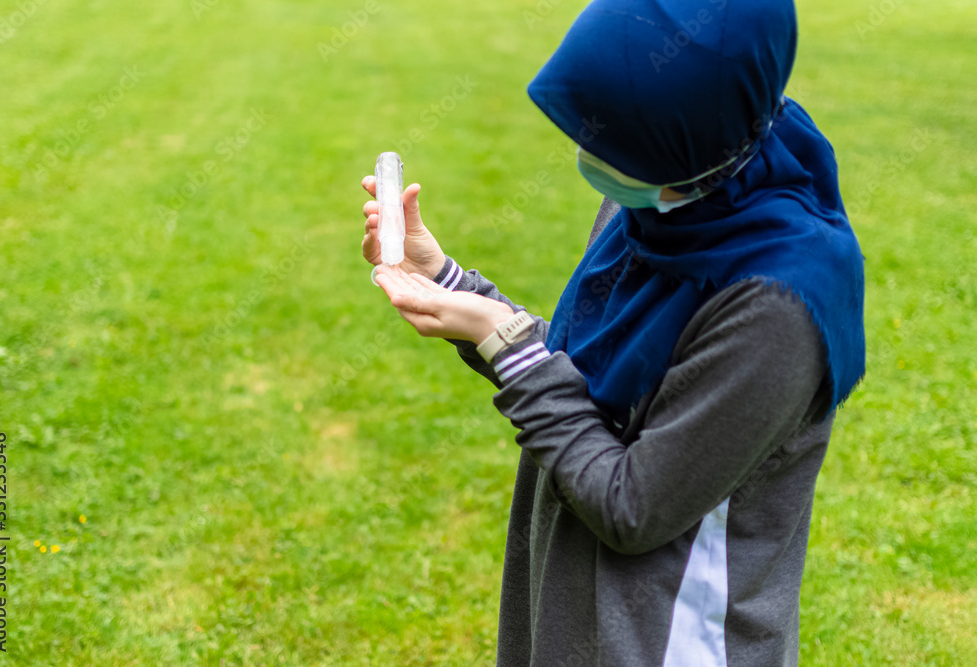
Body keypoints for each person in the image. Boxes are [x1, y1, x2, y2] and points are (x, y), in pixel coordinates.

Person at [360, 0, 866, 664]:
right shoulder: (665, 192)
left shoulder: (776, 306)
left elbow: (632, 506)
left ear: (684, 139)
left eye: (612, 140)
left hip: (669, 638)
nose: (590, 152)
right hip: (578, 609)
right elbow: (583, 380)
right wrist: (454, 286)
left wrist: (504, 340)